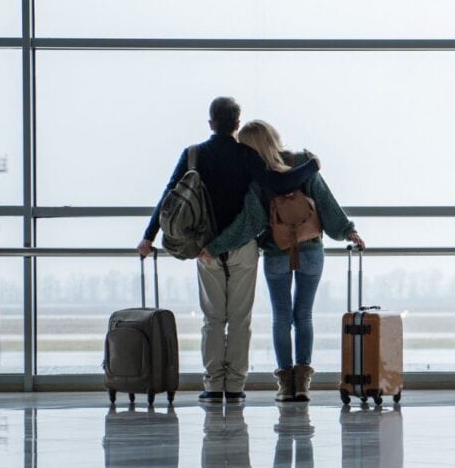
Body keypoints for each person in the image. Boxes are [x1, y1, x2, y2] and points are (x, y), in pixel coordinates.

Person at [137, 97, 318, 405]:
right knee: (240, 320)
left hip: (205, 248)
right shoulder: (246, 155)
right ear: (237, 124)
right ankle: (234, 386)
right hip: (243, 248)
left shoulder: (193, 155)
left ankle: (213, 385)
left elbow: (169, 196)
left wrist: (148, 237)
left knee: (212, 320)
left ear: (211, 123)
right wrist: (311, 166)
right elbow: (279, 181)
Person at [201, 120, 364, 403]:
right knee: (304, 315)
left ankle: (285, 384)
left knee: (282, 317)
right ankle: (303, 383)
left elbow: (249, 223)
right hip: (311, 251)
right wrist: (348, 231)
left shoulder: (258, 179)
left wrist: (215, 247)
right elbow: (326, 204)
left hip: (277, 254)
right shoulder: (302, 164)